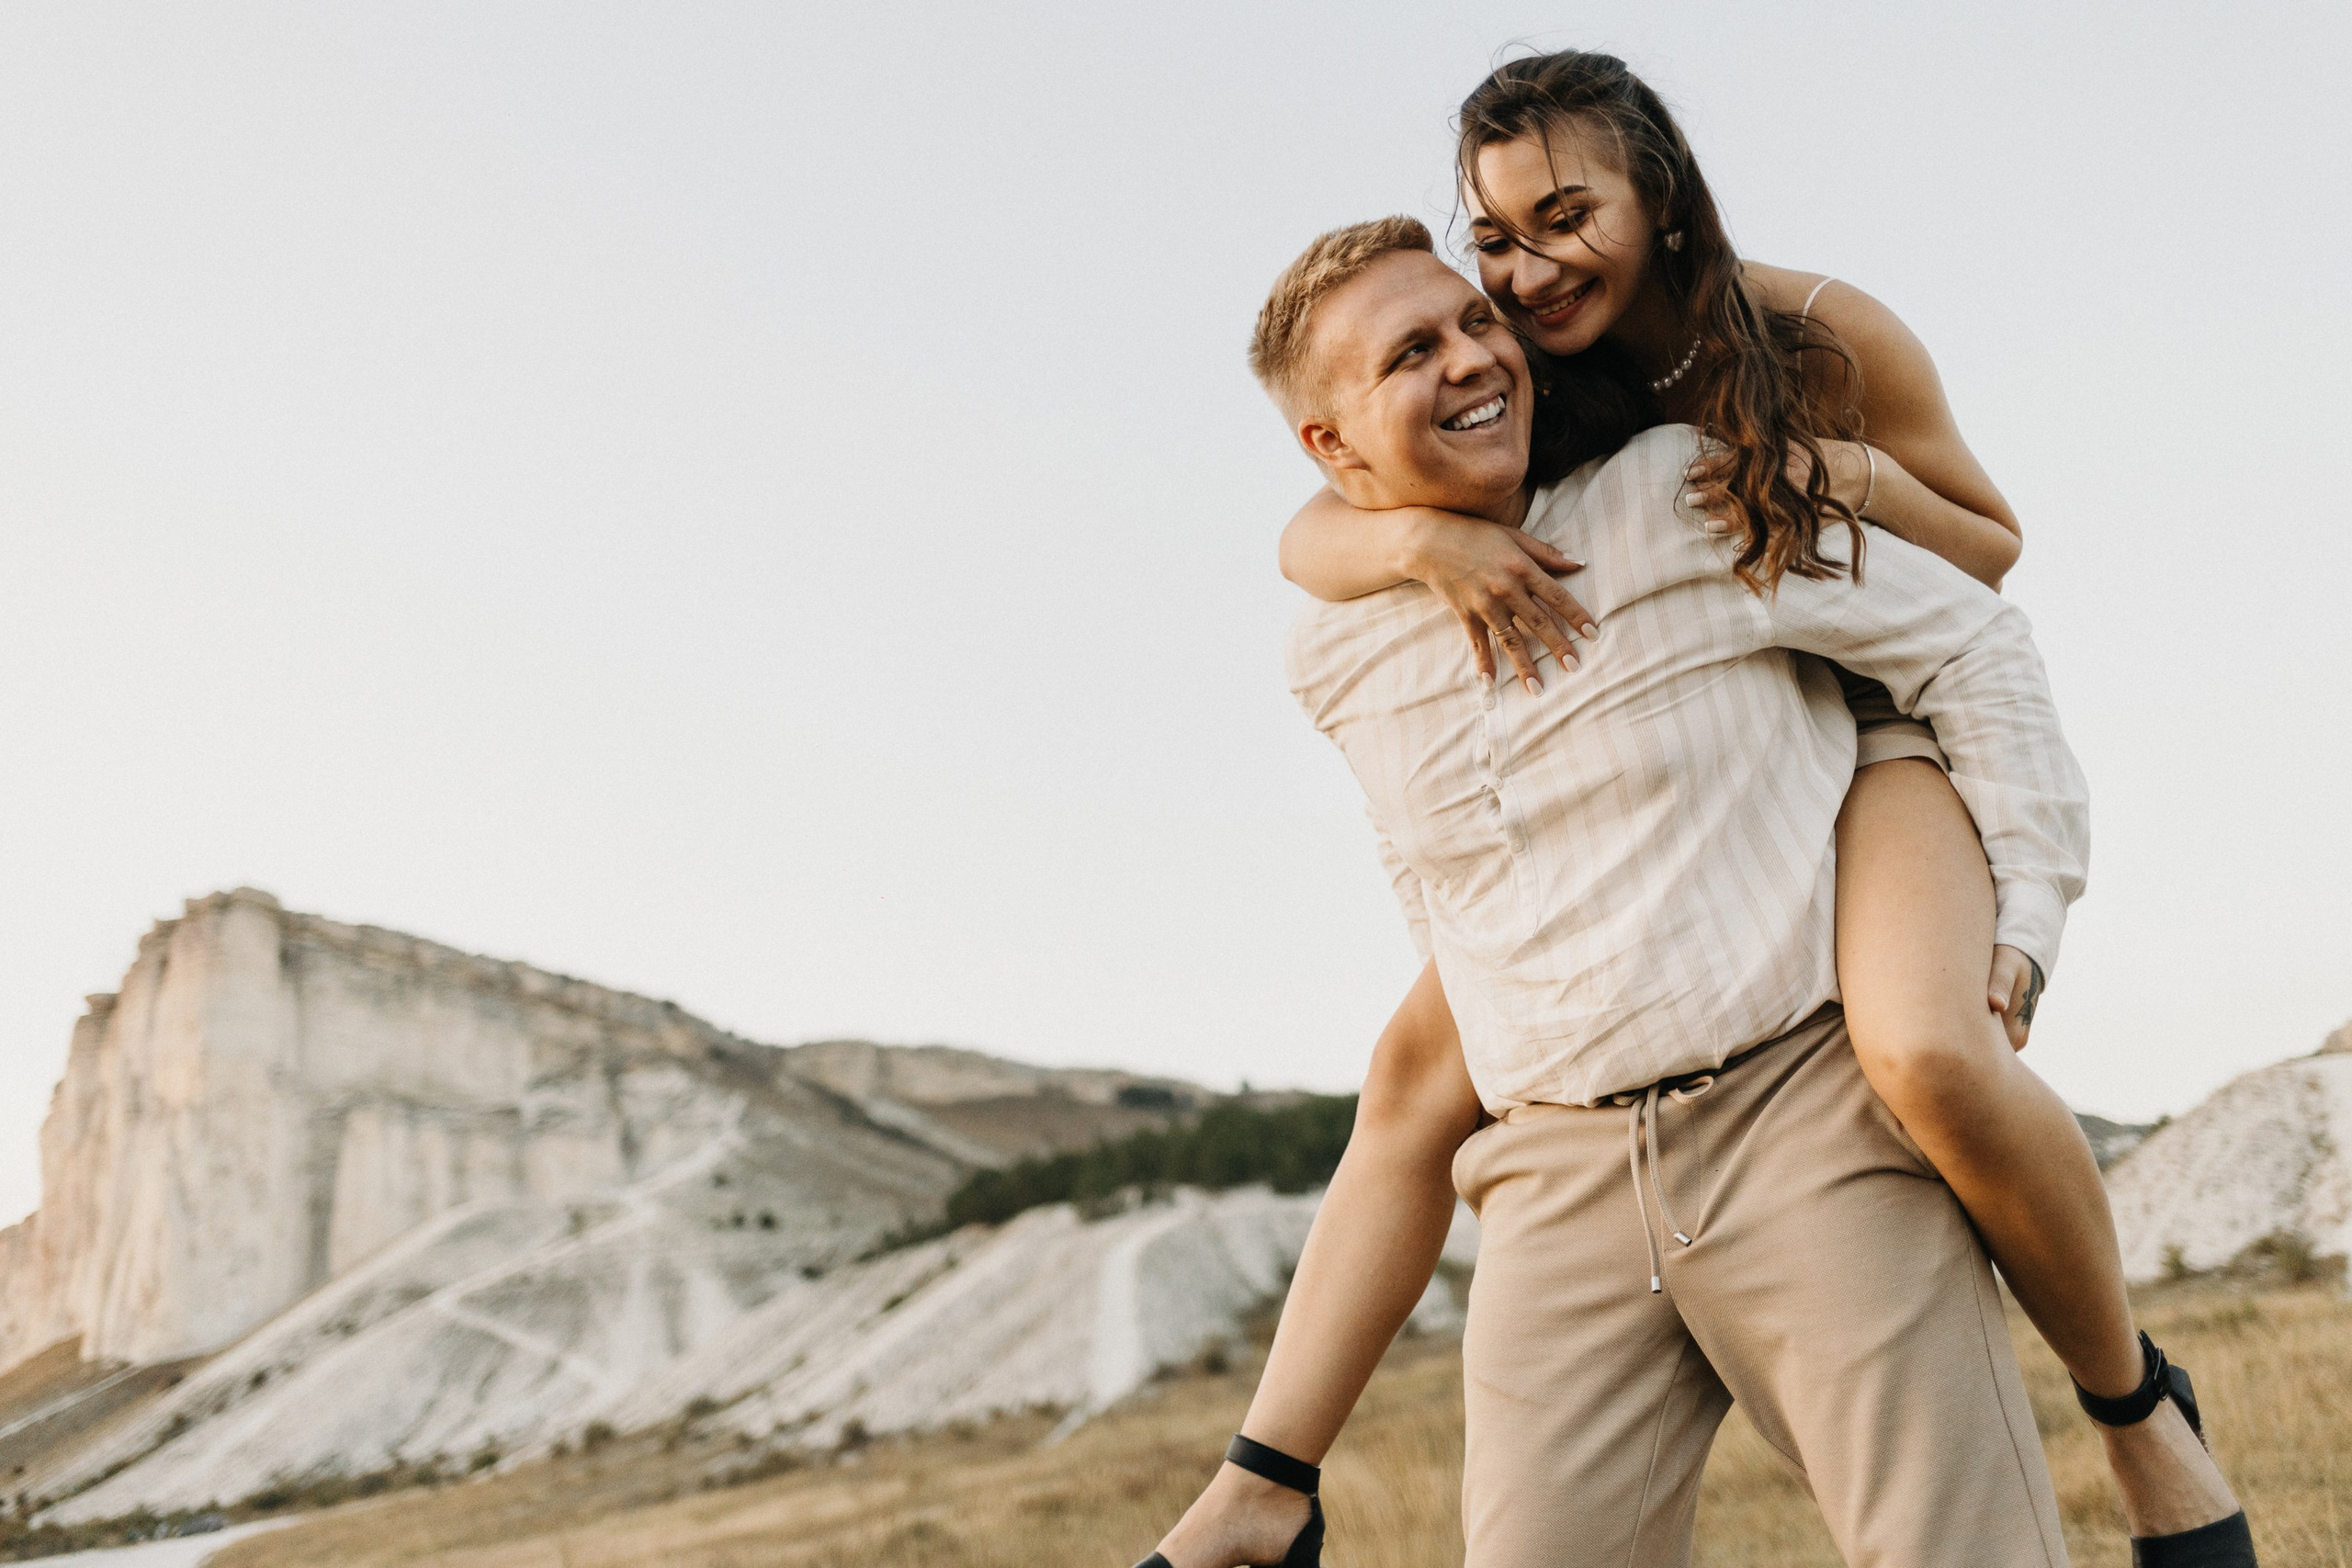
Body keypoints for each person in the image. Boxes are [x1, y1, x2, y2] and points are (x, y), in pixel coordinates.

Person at [1133, 223, 2255, 1568]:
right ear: (1334, 448)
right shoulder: (1332, 653)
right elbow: (1422, 859)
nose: (1478, 351)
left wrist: (2026, 902)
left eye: (1471, 320)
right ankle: (1261, 1488)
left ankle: (2136, 1409)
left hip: (1796, 1114)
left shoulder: (1672, 492)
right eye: (1413, 353)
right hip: (1555, 1184)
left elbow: (1970, 639)